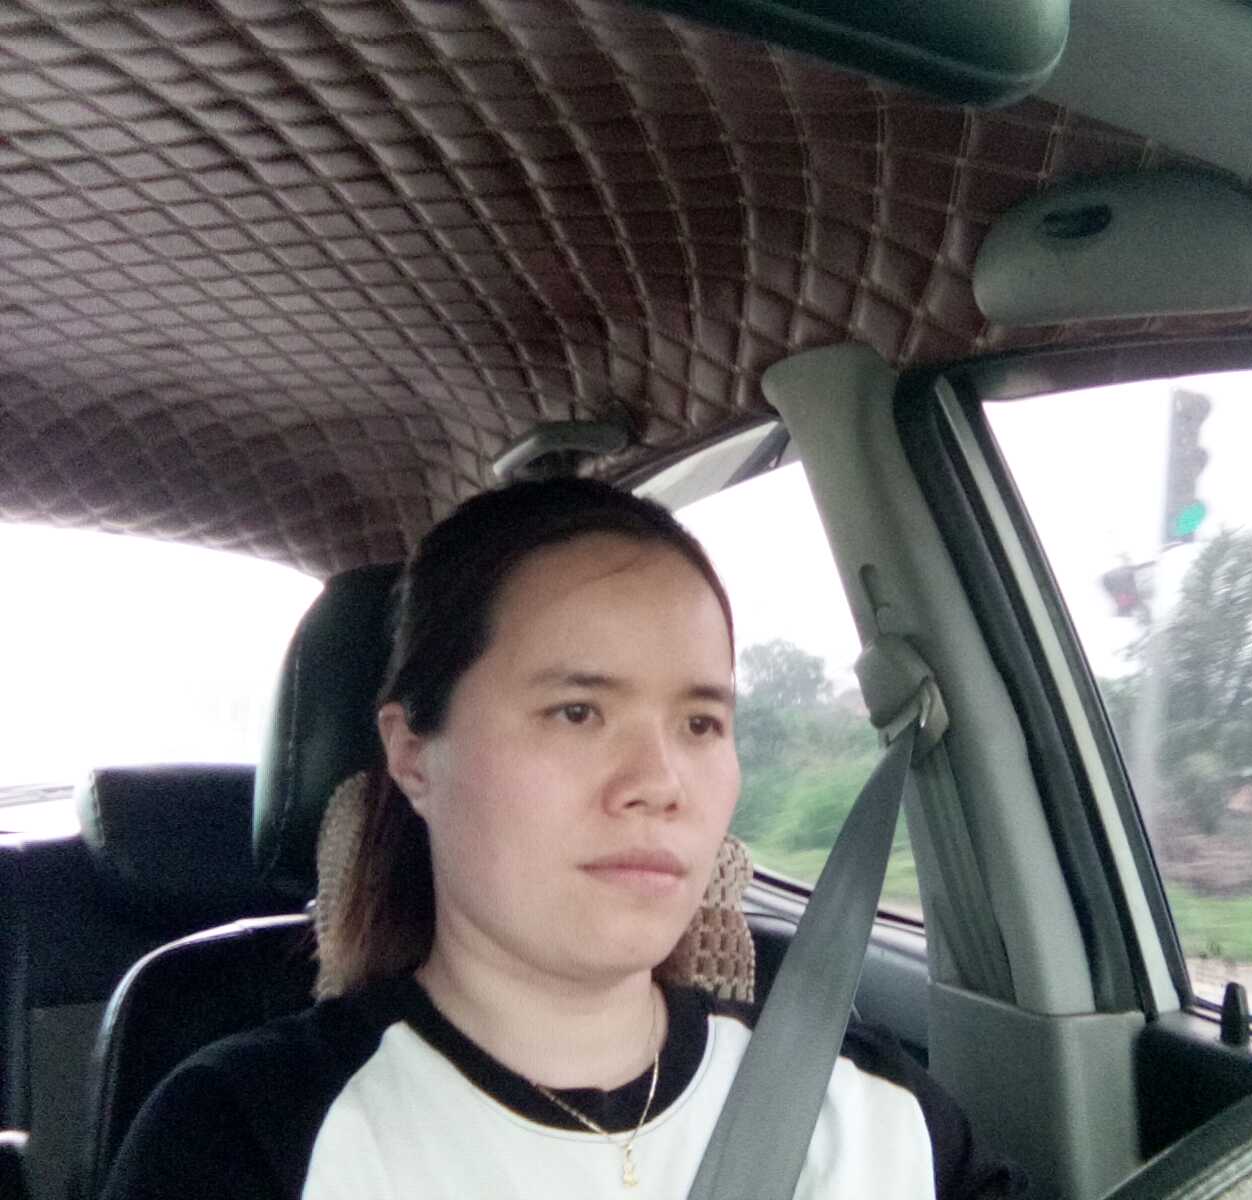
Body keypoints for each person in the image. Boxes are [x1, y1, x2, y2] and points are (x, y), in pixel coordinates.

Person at [103, 478, 1026, 1199]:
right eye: (577, 712)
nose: (659, 782)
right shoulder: (247, 1141)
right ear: (414, 755)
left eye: (700, 724)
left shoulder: (869, 1111)